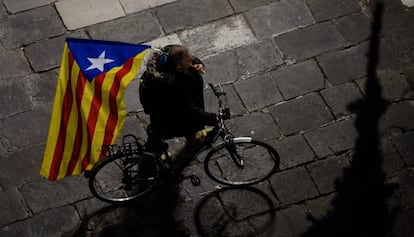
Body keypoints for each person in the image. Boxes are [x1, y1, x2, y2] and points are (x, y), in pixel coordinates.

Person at [139, 45, 217, 155]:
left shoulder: (169, 56)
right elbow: (189, 110)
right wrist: (214, 118)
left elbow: (188, 57)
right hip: (171, 115)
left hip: (171, 110)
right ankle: (152, 158)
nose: (192, 63)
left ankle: (191, 142)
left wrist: (198, 63)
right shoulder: (174, 85)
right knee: (183, 127)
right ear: (179, 68)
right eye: (189, 62)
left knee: (186, 130)